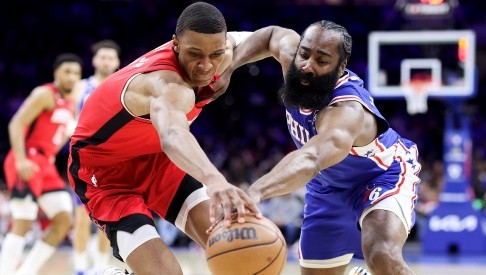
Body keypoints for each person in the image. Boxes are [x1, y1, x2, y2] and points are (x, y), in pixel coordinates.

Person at [67, 2, 261, 275]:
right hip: (106, 175)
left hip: (157, 160)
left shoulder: (224, 50)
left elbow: (273, 36)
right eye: (195, 54)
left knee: (235, 251)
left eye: (214, 54)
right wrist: (215, 179)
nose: (207, 65)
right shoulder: (162, 83)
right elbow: (172, 135)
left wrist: (293, 54)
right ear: (176, 45)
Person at [224, 21, 421, 275]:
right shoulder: (294, 63)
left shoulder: (347, 111)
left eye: (322, 60)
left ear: (341, 68)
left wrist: (255, 192)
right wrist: (229, 67)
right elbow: (272, 35)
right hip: (326, 185)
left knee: (381, 254)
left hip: (381, 176)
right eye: (304, 54)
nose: (308, 65)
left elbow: (312, 158)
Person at [0, 53, 82, 275]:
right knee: (23, 222)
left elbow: (61, 135)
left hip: (46, 164)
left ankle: (26, 272)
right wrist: (21, 159)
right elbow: (16, 123)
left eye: (76, 73)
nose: (72, 77)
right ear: (56, 73)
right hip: (27, 159)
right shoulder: (45, 94)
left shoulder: (71, 103)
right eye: (67, 72)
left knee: (64, 221)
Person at [71, 39, 121, 275]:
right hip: (84, 158)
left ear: (118, 62)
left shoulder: (123, 86)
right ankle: (80, 268)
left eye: (111, 58)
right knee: (81, 216)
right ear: (94, 60)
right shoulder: (81, 87)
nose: (106, 61)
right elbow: (69, 119)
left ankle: (100, 267)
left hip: (113, 159)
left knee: (107, 217)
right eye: (102, 57)